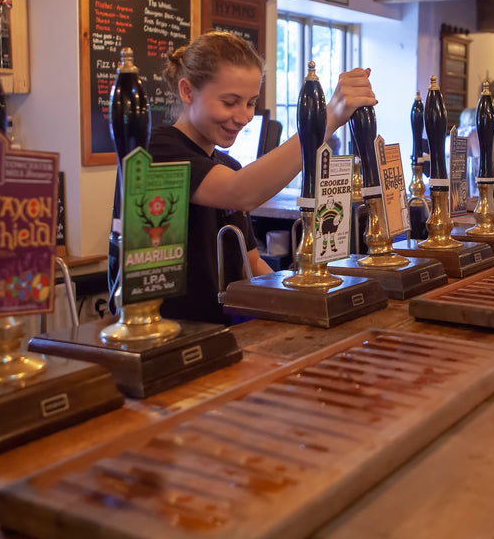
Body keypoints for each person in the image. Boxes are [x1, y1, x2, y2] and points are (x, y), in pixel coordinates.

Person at [149, 31, 376, 325]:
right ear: (187, 91)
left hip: (223, 334)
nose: (243, 117)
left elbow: (251, 264)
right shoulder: (156, 152)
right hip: (171, 338)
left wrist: (304, 303)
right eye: (230, 102)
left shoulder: (225, 164)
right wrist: (325, 119)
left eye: (250, 103)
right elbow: (239, 192)